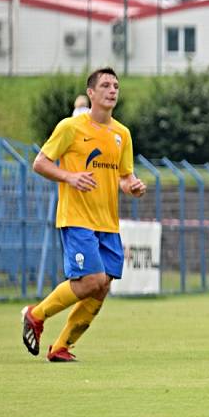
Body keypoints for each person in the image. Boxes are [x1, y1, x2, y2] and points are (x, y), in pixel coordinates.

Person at [22, 67, 146, 362]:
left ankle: (61, 346)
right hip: (77, 217)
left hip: (108, 222)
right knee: (91, 280)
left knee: (102, 287)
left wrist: (133, 187)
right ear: (91, 93)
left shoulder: (122, 134)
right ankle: (35, 315)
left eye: (115, 85)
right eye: (105, 85)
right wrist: (70, 177)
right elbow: (40, 163)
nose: (112, 90)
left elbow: (125, 177)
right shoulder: (71, 127)